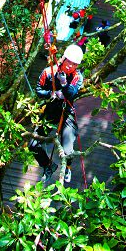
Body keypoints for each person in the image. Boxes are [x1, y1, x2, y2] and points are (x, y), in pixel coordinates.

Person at [29, 44, 84, 184]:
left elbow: (71, 93)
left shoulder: (78, 77)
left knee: (68, 150)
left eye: (74, 64)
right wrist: (51, 93)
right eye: (69, 62)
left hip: (67, 112)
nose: (71, 66)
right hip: (51, 110)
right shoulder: (49, 72)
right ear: (63, 59)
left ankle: (67, 167)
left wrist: (64, 84)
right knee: (33, 145)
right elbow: (38, 90)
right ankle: (48, 165)